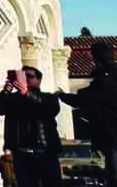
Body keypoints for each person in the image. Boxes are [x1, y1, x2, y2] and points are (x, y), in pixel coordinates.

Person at [0, 66, 62, 187]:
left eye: (30, 76)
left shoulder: (49, 97)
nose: (26, 79)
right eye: (23, 76)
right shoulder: (13, 99)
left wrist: (27, 94)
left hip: (46, 153)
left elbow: (50, 109)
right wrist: (4, 92)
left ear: (39, 80)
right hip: (22, 155)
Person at [58, 42, 117, 187]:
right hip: (110, 134)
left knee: (114, 173)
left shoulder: (104, 78)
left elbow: (85, 99)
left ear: (95, 58)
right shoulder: (108, 76)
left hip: (111, 134)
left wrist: (62, 96)